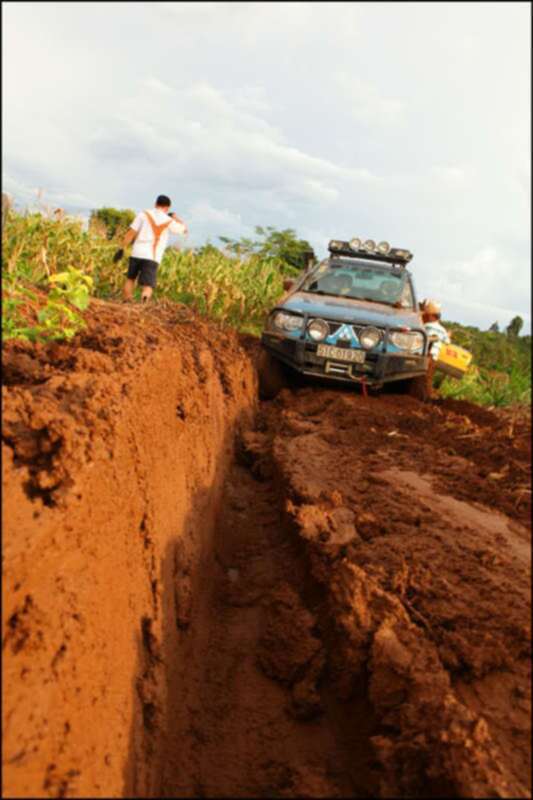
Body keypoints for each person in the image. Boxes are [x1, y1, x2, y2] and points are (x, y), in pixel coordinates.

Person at [113, 195, 188, 303]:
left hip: (136, 253)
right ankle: (143, 306)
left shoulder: (143, 214)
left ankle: (126, 303)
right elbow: (184, 230)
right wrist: (175, 217)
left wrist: (121, 248)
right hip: (152, 257)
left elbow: (131, 233)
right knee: (148, 285)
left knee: (130, 279)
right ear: (167, 208)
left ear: (155, 204)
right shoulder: (168, 221)